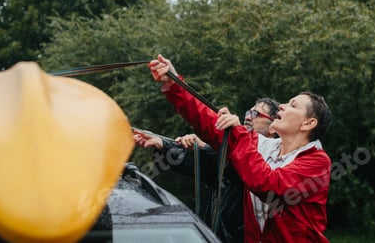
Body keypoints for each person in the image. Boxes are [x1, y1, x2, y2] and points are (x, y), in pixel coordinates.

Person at [148, 54, 332, 243]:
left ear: (308, 123)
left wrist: (240, 134)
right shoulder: (264, 146)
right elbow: (210, 122)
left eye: (292, 105)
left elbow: (269, 185)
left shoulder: (317, 162)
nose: (282, 107)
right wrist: (175, 83)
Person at [133, 97, 279, 243]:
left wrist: (203, 147)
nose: (248, 117)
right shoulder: (234, 155)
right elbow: (196, 167)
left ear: (273, 127)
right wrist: (162, 144)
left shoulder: (272, 161)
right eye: (249, 112)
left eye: (256, 114)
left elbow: (236, 170)